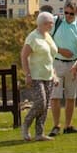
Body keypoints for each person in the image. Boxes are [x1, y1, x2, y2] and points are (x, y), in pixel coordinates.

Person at [48, 1, 77, 137]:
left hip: (73, 64)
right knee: (55, 96)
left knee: (71, 97)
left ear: (76, 12)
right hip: (57, 63)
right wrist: (60, 50)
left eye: (71, 13)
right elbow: (46, 40)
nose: (68, 16)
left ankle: (68, 125)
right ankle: (56, 126)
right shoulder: (56, 22)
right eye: (66, 12)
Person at [19, 12, 60, 141]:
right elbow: (24, 56)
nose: (52, 25)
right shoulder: (33, 37)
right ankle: (26, 123)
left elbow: (50, 57)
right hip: (36, 75)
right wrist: (27, 74)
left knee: (46, 104)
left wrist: (54, 74)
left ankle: (39, 133)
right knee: (40, 103)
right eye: (50, 23)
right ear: (42, 23)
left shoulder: (48, 36)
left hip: (48, 75)